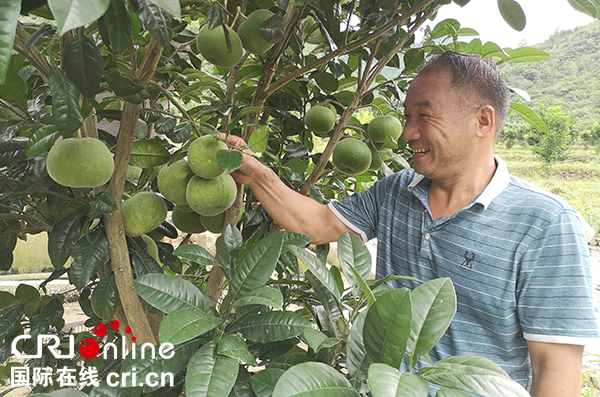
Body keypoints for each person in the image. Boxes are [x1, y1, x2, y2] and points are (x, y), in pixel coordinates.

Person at [219, 51, 599, 396]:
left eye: (424, 115)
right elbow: (316, 224)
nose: (406, 133)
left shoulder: (545, 223)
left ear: (483, 121)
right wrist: (256, 175)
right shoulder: (397, 190)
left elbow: (554, 366)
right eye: (406, 116)